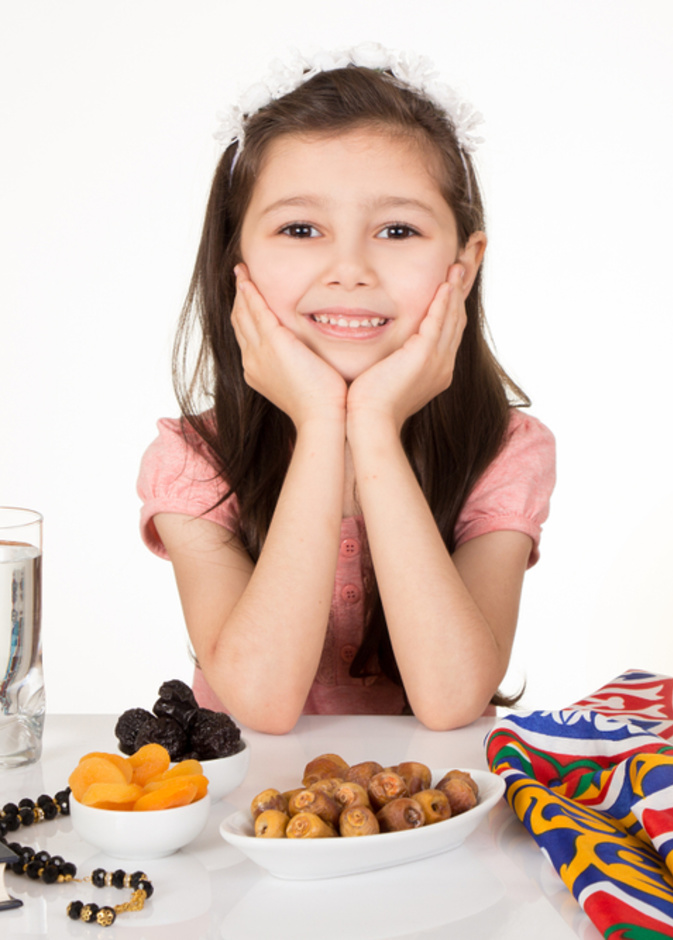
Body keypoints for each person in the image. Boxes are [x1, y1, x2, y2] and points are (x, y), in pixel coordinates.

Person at [137, 44, 555, 734]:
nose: (350, 268)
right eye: (300, 229)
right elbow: (258, 705)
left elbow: (451, 699)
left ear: (464, 261)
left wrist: (374, 426)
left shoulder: (504, 451)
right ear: (232, 256)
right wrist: (319, 425)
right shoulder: (191, 460)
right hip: (248, 820)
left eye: (397, 229)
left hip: (437, 823)